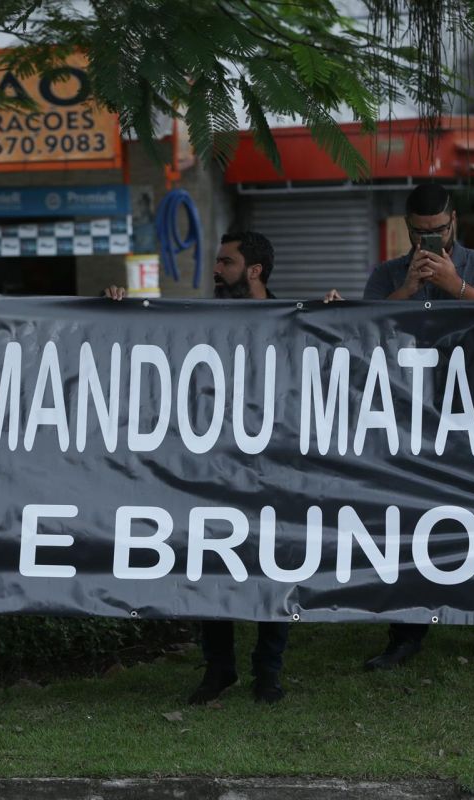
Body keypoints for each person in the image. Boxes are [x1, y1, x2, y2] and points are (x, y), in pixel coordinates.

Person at [324, 183, 474, 671]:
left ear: (454, 221)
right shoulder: (388, 274)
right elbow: (365, 333)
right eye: (419, 233)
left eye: (437, 231)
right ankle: (406, 632)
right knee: (407, 521)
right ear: (407, 229)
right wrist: (406, 292)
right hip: (408, 415)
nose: (429, 241)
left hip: (473, 411)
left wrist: (454, 285)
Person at [106, 231, 291, 704]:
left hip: (271, 465)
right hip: (212, 466)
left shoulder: (294, 320)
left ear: (254, 271)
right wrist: (120, 309)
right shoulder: (200, 318)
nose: (216, 270)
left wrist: (337, 310)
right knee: (211, 563)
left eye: (227, 262)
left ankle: (268, 671)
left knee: (273, 565)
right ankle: (220, 667)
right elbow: (154, 343)